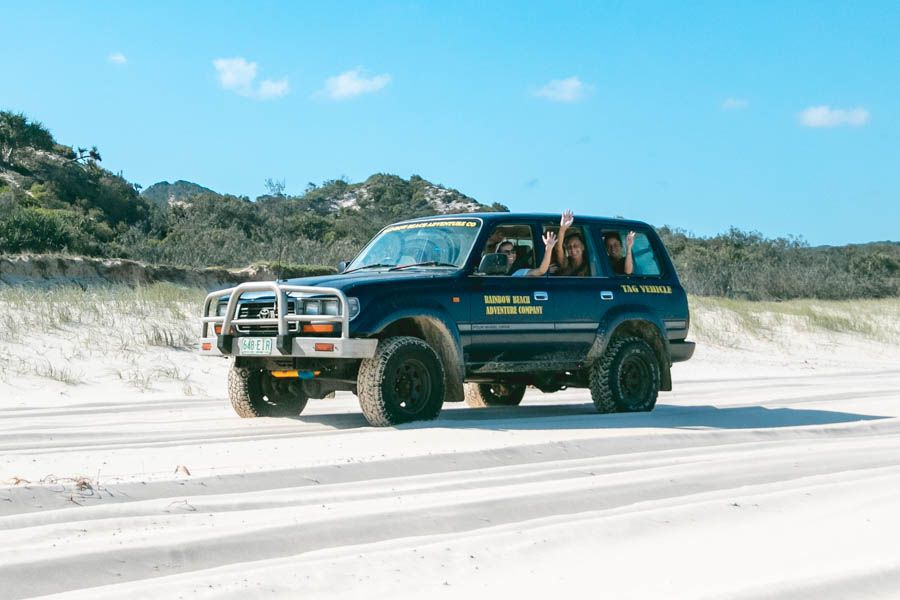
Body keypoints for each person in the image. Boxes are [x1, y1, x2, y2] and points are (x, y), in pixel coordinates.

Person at [554, 209, 591, 276]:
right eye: (569, 247)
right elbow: (558, 249)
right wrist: (563, 228)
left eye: (576, 246)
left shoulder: (591, 265)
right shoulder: (566, 263)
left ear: (583, 247)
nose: (572, 249)